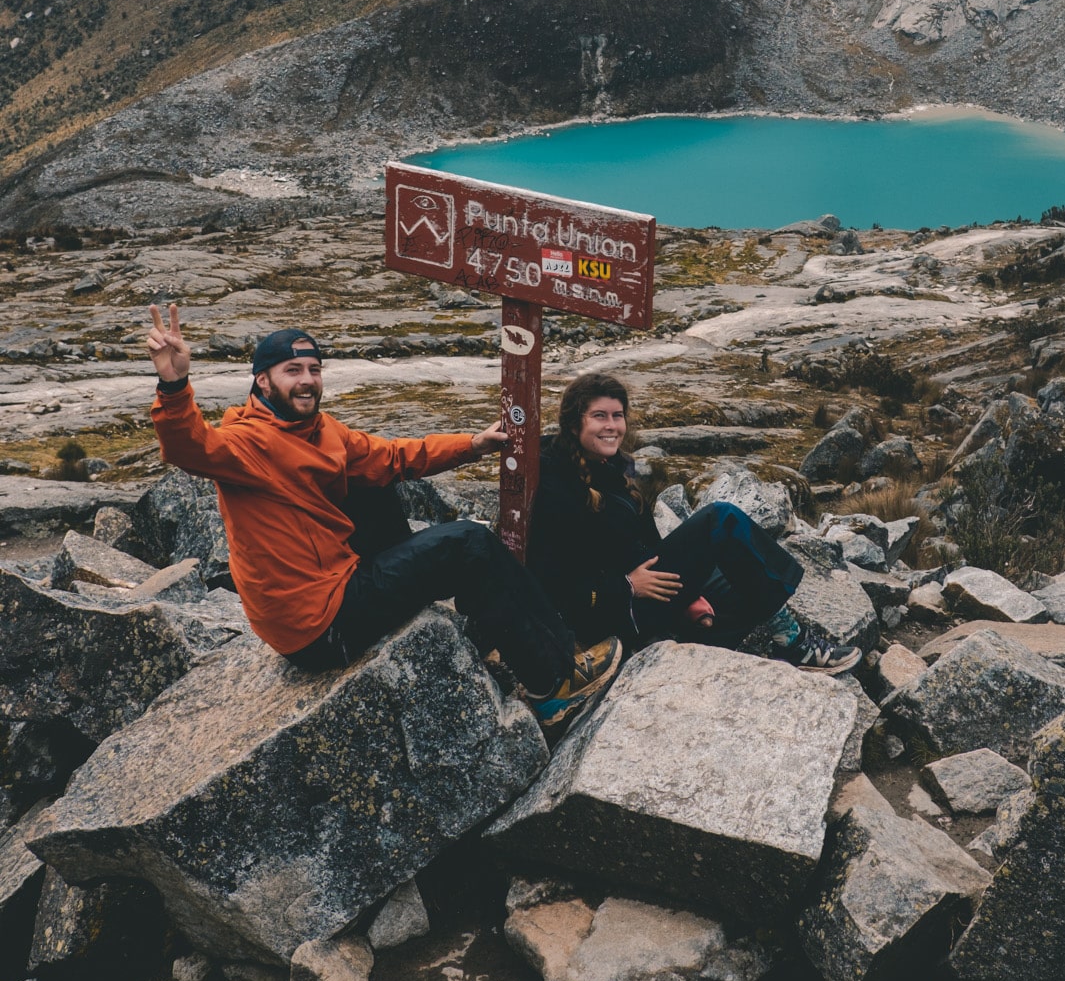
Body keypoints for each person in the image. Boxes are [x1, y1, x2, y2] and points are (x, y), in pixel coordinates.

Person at [144, 306, 620, 731]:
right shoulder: (247, 442)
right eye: (292, 370)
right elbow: (190, 446)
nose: (307, 380)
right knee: (470, 543)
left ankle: (506, 630)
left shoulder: (320, 430)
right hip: (318, 626)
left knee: (376, 480)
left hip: (336, 579)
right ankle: (552, 684)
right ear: (263, 382)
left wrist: (470, 446)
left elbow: (393, 457)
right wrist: (173, 385)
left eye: (313, 369)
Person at [527, 371, 861, 672]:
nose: (611, 426)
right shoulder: (555, 484)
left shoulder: (613, 470)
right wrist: (627, 586)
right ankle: (794, 642)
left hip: (647, 590)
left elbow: (646, 545)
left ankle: (710, 642)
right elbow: (553, 582)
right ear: (574, 424)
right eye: (599, 416)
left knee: (739, 577)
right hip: (612, 613)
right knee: (720, 520)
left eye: (617, 416)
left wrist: (687, 596)